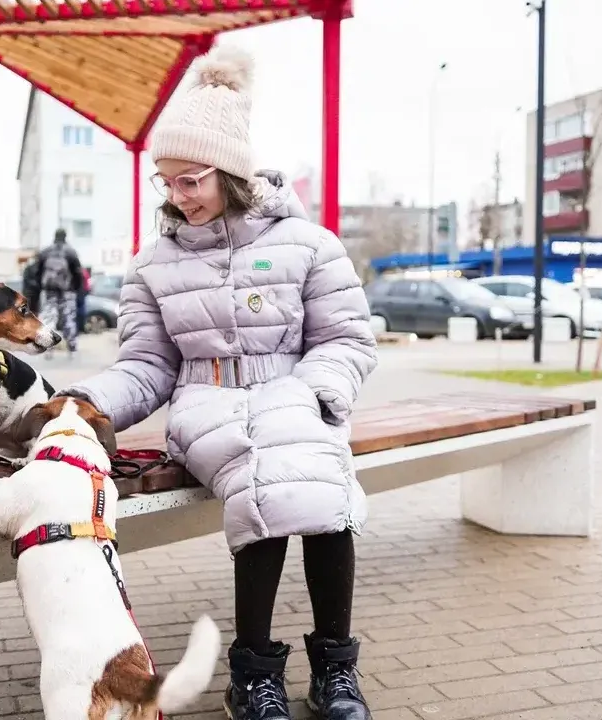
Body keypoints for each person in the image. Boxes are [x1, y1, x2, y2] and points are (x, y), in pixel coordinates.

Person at [56, 45, 378, 720]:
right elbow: (147, 365)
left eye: (191, 180)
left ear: (229, 171)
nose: (178, 195)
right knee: (263, 472)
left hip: (295, 389)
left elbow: (346, 339)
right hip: (208, 401)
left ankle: (333, 667)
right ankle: (254, 674)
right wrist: (88, 401)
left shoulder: (309, 243)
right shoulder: (153, 265)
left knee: (317, 475)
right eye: (167, 182)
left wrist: (318, 392)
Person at [33, 228, 83, 353]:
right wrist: (76, 288)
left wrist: (41, 286)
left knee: (49, 316)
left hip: (49, 290)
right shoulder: (71, 252)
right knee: (69, 317)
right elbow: (77, 272)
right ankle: (72, 344)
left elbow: (37, 272)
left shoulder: (45, 252)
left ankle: (48, 344)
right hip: (68, 290)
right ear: (65, 236)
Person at [76, 265, 91, 335]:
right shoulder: (84, 272)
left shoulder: (76, 272)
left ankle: (78, 328)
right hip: (82, 293)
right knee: (82, 311)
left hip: (77, 293)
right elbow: (88, 284)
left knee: (76, 312)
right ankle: (82, 328)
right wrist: (87, 291)